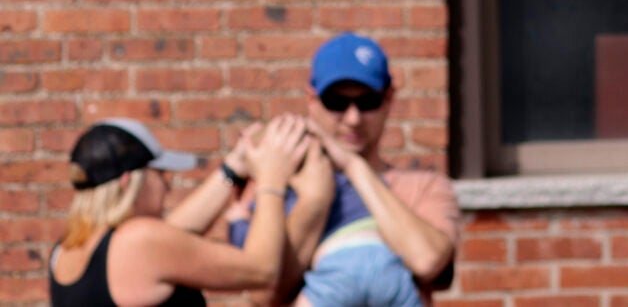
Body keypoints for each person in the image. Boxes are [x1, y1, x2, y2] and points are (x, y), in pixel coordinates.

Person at [229, 34, 460, 307]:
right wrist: (315, 202)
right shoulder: (272, 187)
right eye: (337, 103)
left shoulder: (425, 187)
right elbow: (263, 294)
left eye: (367, 102)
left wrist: (353, 168)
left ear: (389, 99)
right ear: (312, 100)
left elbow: (428, 261)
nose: (353, 119)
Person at [50, 117, 314, 307]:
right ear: (129, 182)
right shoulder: (138, 241)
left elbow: (175, 235)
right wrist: (271, 179)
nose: (168, 184)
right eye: (160, 174)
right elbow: (262, 271)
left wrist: (234, 167)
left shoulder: (64, 251)